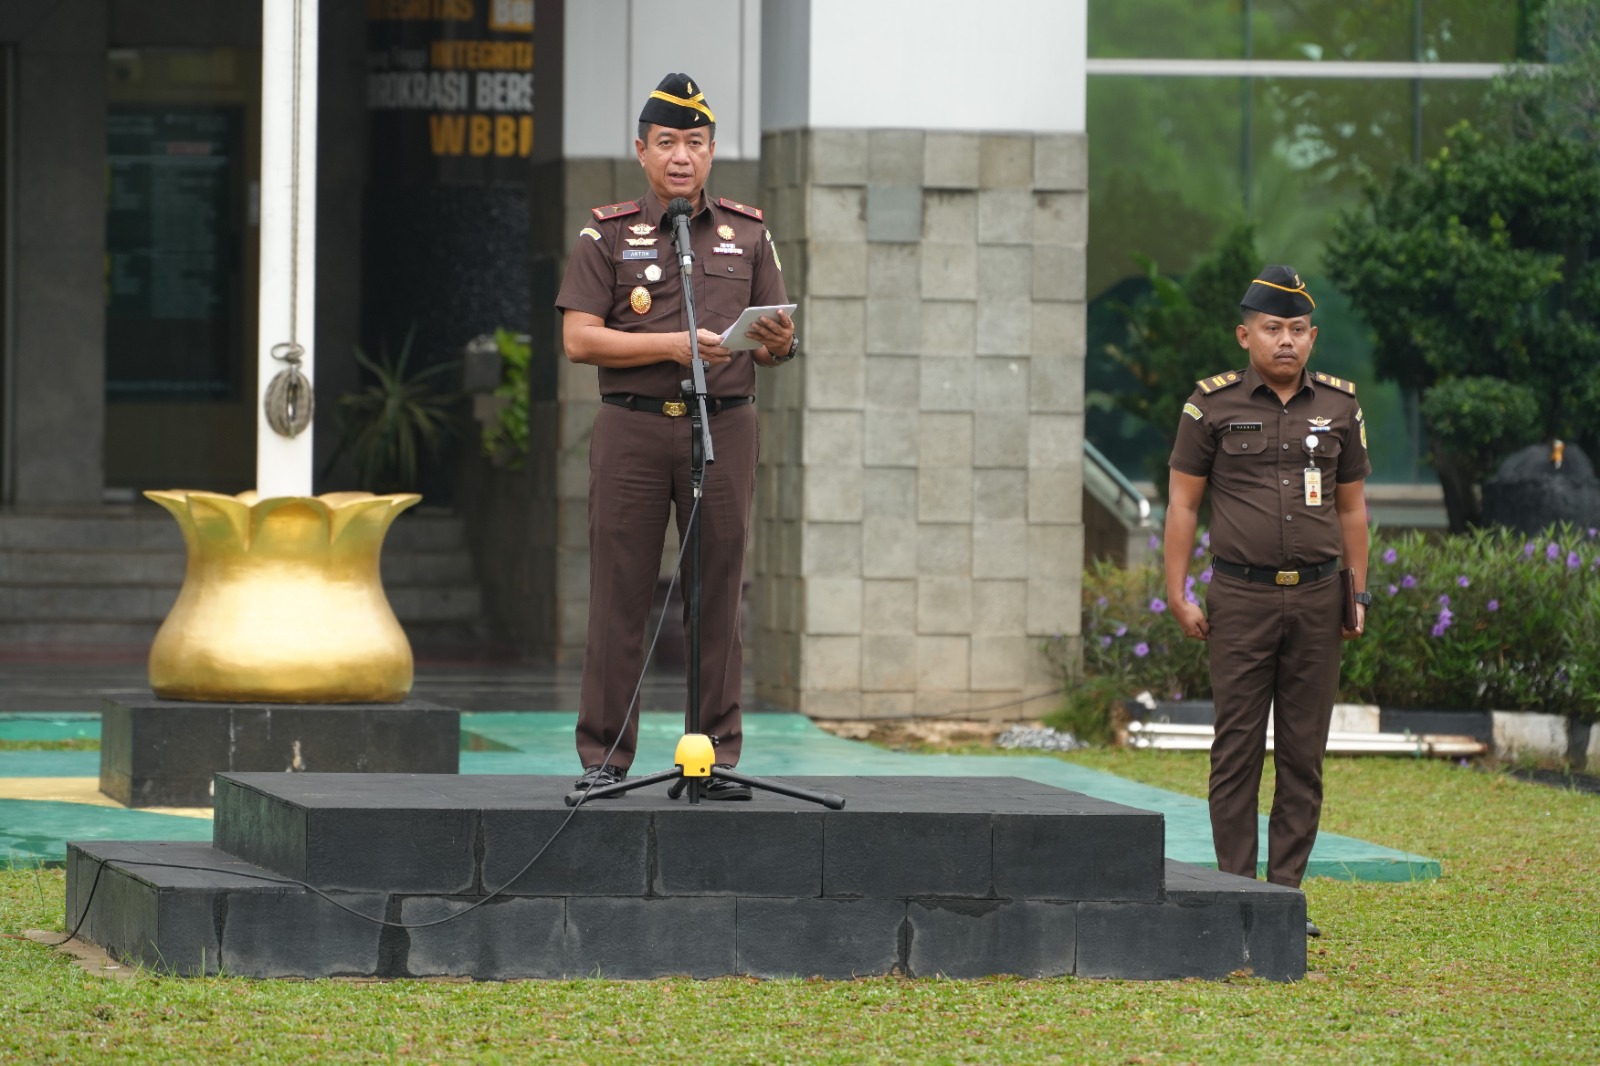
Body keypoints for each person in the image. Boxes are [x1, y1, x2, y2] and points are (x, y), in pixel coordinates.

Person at [554, 73, 797, 799]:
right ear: (642, 151)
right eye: (667, 142)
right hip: (632, 427)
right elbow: (578, 339)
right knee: (619, 595)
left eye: (694, 142)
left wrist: (779, 342)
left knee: (717, 596)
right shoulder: (606, 233)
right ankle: (605, 759)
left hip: (723, 427)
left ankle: (711, 758)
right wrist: (671, 346)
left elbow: (776, 340)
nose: (681, 156)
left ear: (712, 150)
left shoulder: (747, 234)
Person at [1163, 265, 1371, 937]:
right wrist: (1176, 591)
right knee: (1237, 751)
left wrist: (1357, 593)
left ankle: (1283, 897)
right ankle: (1234, 893)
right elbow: (1183, 504)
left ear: (1313, 337)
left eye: (1298, 329)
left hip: (1315, 598)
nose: (1286, 340)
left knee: (1304, 754)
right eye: (1273, 328)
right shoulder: (1210, 406)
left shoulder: (1340, 407)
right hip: (1240, 598)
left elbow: (1352, 509)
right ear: (1244, 334)